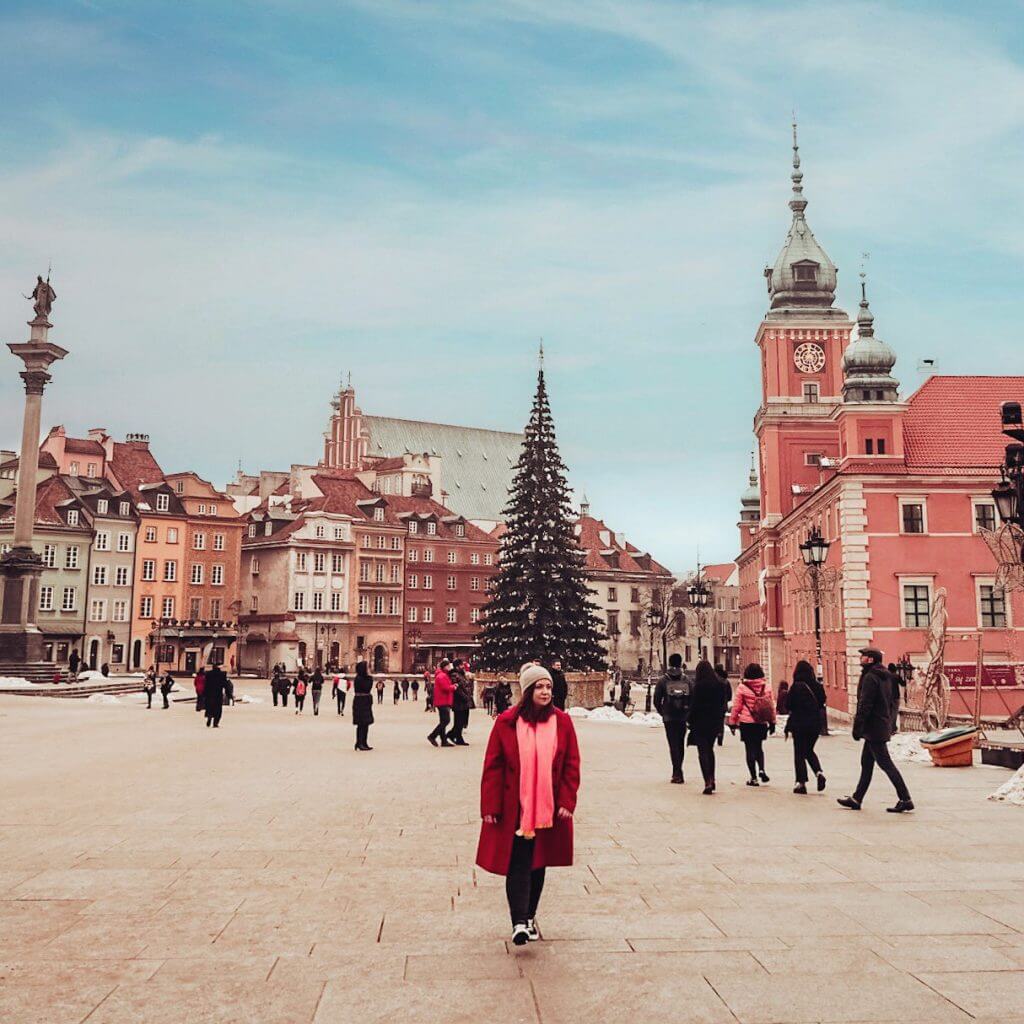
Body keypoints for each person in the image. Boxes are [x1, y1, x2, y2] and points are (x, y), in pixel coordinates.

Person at [476, 663, 581, 946]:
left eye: (548, 686)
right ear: (526, 691)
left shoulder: (562, 722)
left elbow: (572, 765)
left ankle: (530, 916)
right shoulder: (507, 722)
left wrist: (567, 801)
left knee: (538, 864)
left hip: (547, 808)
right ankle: (519, 921)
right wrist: (490, 806)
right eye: (539, 687)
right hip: (516, 808)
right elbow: (493, 766)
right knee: (518, 862)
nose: (545, 691)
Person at [838, 648, 914, 813]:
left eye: (863, 656)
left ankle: (905, 798)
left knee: (886, 764)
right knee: (866, 764)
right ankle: (857, 798)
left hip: (874, 728)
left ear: (870, 659)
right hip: (880, 725)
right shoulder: (884, 676)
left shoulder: (871, 677)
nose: (861, 658)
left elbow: (865, 704)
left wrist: (858, 727)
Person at [729, 663, 776, 786]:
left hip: (747, 722)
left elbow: (737, 707)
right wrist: (772, 722)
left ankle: (753, 777)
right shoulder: (766, 687)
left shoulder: (742, 688)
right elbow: (771, 706)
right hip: (761, 722)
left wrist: (732, 723)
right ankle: (762, 769)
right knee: (759, 747)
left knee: (749, 749)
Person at [785, 660, 827, 794]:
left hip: (799, 723)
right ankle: (819, 772)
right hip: (815, 723)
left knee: (799, 752)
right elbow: (822, 701)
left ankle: (801, 783)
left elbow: (788, 705)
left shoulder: (796, 686)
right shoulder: (817, 686)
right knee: (808, 750)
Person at [687, 661, 729, 795]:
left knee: (702, 752)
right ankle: (713, 777)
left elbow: (693, 706)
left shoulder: (697, 687)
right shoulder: (719, 685)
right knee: (710, 750)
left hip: (700, 723)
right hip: (714, 723)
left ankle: (707, 781)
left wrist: (689, 719)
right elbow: (723, 704)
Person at [653, 653, 690, 784]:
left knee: (672, 744)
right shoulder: (686, 680)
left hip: (669, 718)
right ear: (681, 663)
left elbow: (656, 700)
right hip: (682, 717)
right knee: (680, 744)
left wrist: (663, 712)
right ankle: (679, 770)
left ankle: (676, 772)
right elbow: (692, 698)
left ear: (669, 662)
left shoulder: (663, 680)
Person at [428, 659, 455, 747]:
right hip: (443, 701)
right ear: (444, 667)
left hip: (442, 701)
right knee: (446, 721)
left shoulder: (442, 675)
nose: (449, 668)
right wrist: (454, 687)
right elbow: (446, 688)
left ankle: (443, 740)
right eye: (448, 666)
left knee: (443, 721)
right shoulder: (442, 676)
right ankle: (432, 735)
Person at [448, 660, 474, 745]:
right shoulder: (454, 675)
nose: (463, 666)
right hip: (459, 701)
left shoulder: (462, 674)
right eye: (461, 665)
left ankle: (456, 737)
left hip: (464, 701)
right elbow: (457, 689)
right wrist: (465, 697)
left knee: (462, 721)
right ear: (457, 666)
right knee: (459, 721)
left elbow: (466, 686)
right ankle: (452, 735)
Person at [352, 660, 375, 750]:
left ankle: (363, 742)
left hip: (364, 701)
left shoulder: (362, 677)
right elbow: (367, 688)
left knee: (365, 723)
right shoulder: (359, 678)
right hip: (361, 702)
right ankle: (359, 742)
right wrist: (370, 678)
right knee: (361, 723)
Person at [715, 665, 732, 746]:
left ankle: (714, 734)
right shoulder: (726, 681)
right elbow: (729, 695)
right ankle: (720, 737)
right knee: (721, 722)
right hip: (723, 705)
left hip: (714, 705)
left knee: (714, 721)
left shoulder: (713, 680)